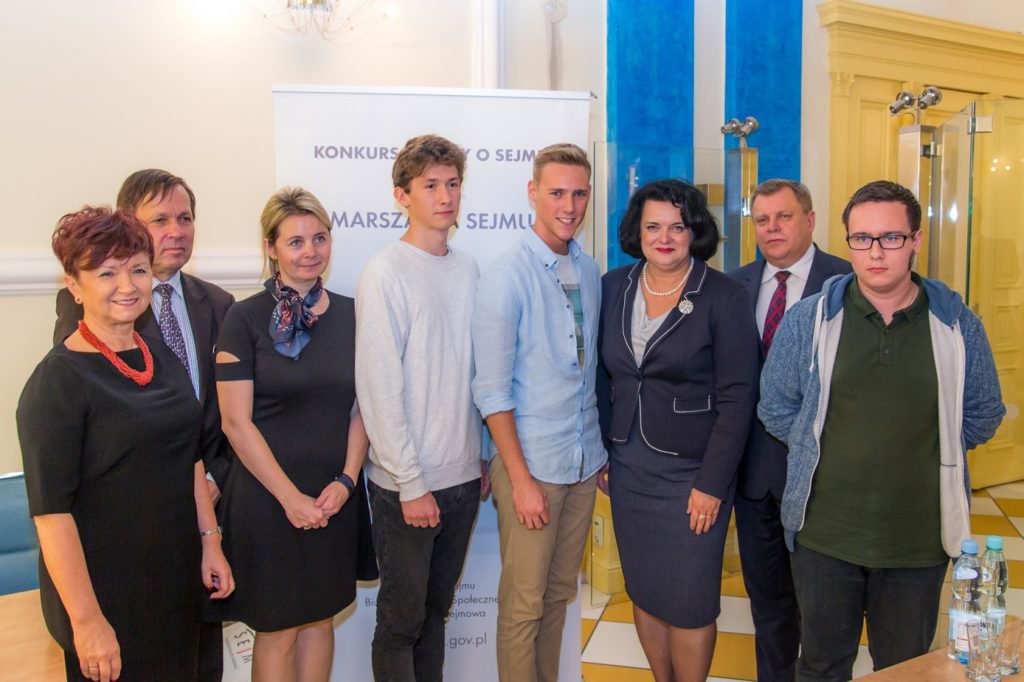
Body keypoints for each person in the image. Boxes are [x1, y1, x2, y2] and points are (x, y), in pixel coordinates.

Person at [759, 180, 1005, 680]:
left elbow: (981, 414)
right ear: (847, 241)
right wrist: (817, 447)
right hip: (824, 537)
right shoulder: (810, 320)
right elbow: (776, 406)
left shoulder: (957, 325)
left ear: (916, 240)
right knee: (821, 665)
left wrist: (924, 449)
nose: (875, 252)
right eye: (861, 238)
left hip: (917, 543)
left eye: (890, 238)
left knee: (905, 670)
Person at [18, 206, 234, 682]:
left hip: (180, 583)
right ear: (74, 286)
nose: (127, 285)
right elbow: (52, 515)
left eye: (137, 269)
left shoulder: (160, 357)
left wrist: (210, 542)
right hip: (108, 596)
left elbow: (190, 458)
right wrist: (87, 622)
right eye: (106, 273)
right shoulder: (57, 382)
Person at [208, 187, 374, 681]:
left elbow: (363, 408)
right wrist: (290, 499)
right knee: (278, 629)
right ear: (271, 247)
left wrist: (346, 481)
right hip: (268, 501)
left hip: (333, 497)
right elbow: (235, 423)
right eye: (296, 241)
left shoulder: (353, 314)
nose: (310, 251)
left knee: (320, 621)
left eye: (319, 238)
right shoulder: (243, 318)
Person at [598, 178, 759, 682]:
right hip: (629, 466)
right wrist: (603, 449)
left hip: (694, 474)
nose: (664, 238)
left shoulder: (724, 296)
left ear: (695, 232)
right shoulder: (614, 285)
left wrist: (712, 483)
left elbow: (738, 399)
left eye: (677, 227)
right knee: (645, 589)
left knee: (690, 601)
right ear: (637, 231)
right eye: (653, 227)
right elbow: (602, 377)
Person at [472, 143, 606, 682]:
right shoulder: (507, 275)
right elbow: (492, 392)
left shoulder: (589, 270)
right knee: (523, 605)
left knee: (558, 595)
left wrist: (597, 454)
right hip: (531, 466)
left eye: (579, 194)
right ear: (533, 193)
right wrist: (521, 480)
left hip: (581, 462)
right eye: (556, 193)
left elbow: (588, 371)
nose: (569, 206)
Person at [355, 134, 482, 682]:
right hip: (407, 483)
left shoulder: (469, 269)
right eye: (430, 185)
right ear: (402, 196)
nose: (445, 196)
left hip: (462, 476)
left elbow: (476, 373)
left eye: (452, 183)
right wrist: (410, 483)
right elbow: (378, 388)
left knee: (435, 614)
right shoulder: (385, 272)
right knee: (401, 623)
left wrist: (482, 455)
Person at [728, 179, 850, 682]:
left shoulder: (847, 282)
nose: (772, 228)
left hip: (824, 481)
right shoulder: (733, 285)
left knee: (825, 616)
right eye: (762, 220)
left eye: (784, 216)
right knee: (770, 610)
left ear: (810, 220)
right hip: (754, 480)